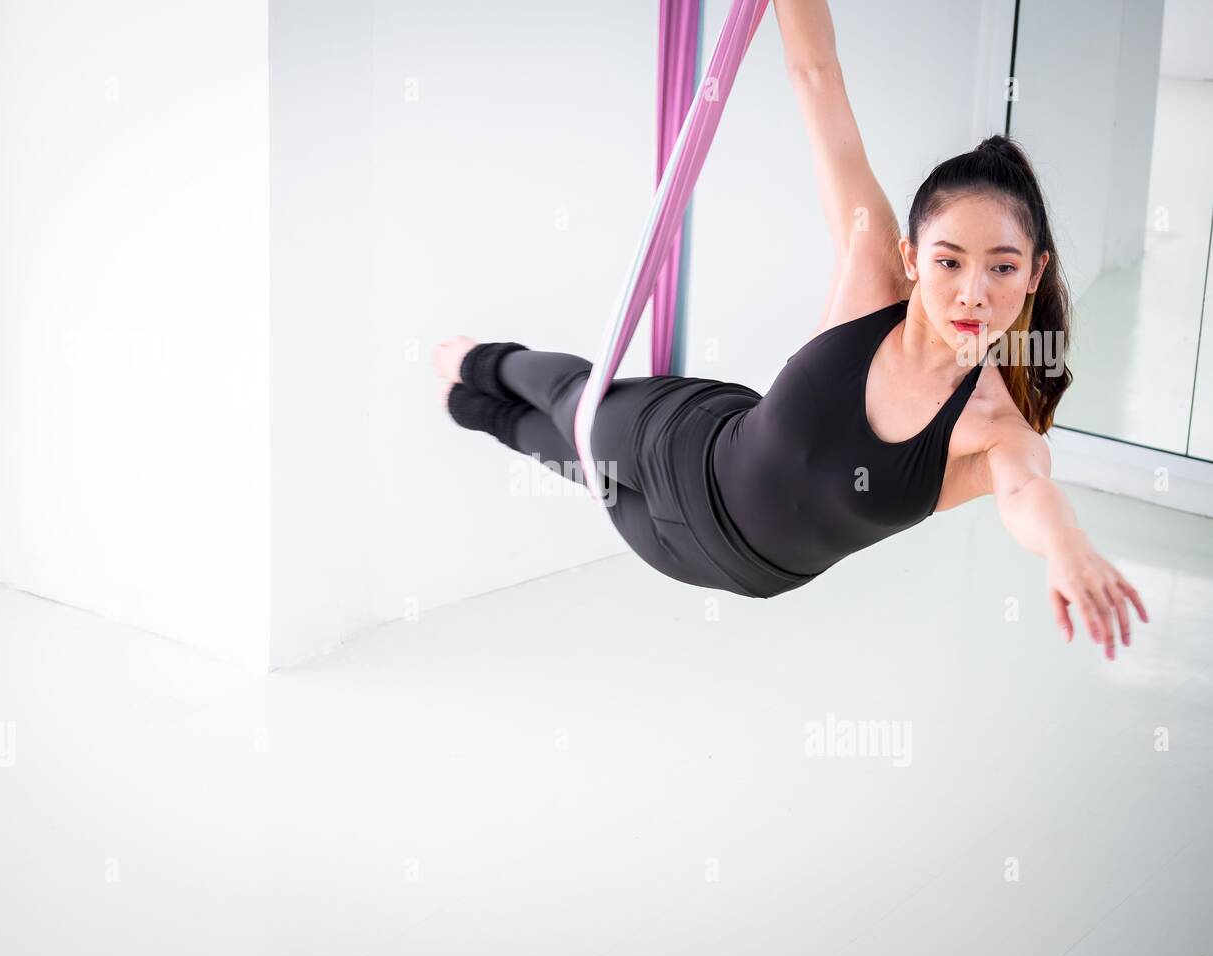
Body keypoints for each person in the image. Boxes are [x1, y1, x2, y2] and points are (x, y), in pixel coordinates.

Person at [435, 0, 1146, 662]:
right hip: (680, 447)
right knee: (569, 406)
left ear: (1033, 272)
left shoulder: (995, 430)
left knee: (562, 458)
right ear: (910, 256)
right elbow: (815, 73)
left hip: (720, 565)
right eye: (948, 260)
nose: (972, 291)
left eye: (1002, 266)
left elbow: (1027, 493)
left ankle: (472, 408)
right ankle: (479, 363)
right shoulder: (871, 275)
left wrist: (1067, 548)